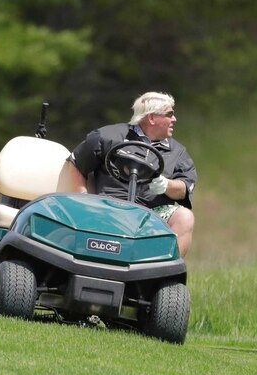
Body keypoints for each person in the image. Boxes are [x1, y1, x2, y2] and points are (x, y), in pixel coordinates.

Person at [67, 92, 197, 257]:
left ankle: (164, 273)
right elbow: (76, 162)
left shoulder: (178, 152)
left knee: (185, 217)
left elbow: (185, 188)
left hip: (151, 215)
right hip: (108, 207)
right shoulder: (108, 136)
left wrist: (167, 185)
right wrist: (82, 197)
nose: (174, 119)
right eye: (169, 114)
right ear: (151, 118)